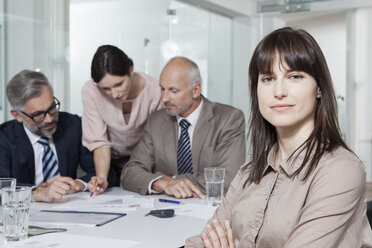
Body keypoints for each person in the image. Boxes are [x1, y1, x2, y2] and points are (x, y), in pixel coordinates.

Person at [185, 27, 372, 247]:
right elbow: (203, 240)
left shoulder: (340, 170)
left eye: (294, 76)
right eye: (267, 78)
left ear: (319, 88)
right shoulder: (249, 170)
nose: (279, 91)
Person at [121, 56, 246, 199]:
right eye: (162, 89)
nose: (164, 98)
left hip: (209, 212)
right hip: (167, 211)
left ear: (196, 90)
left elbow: (228, 179)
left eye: (173, 91)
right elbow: (129, 172)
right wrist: (161, 183)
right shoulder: (156, 121)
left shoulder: (228, 119)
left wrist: (172, 180)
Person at [0, 70, 95, 203]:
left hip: (69, 208)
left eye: (52, 108)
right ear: (17, 115)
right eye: (38, 115)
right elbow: (2, 188)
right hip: (25, 216)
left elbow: (104, 172)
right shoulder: (4, 138)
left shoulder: (72, 125)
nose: (49, 119)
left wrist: (79, 184)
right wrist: (38, 193)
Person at [82, 45, 163, 194]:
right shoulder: (91, 90)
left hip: (142, 158)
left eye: (118, 84)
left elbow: (158, 142)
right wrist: (101, 179)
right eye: (105, 89)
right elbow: (99, 143)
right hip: (106, 158)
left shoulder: (155, 91)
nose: (114, 94)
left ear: (131, 70)